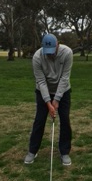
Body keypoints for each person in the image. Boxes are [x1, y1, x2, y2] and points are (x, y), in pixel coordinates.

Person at [24, 33, 73, 166]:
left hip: (63, 91)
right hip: (42, 91)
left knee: (65, 120)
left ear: (57, 44)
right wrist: (48, 103)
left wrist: (56, 100)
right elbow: (41, 81)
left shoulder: (67, 53)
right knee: (39, 120)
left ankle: (64, 152)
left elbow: (64, 78)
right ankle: (32, 151)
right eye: (47, 52)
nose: (50, 55)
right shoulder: (37, 57)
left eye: (52, 51)